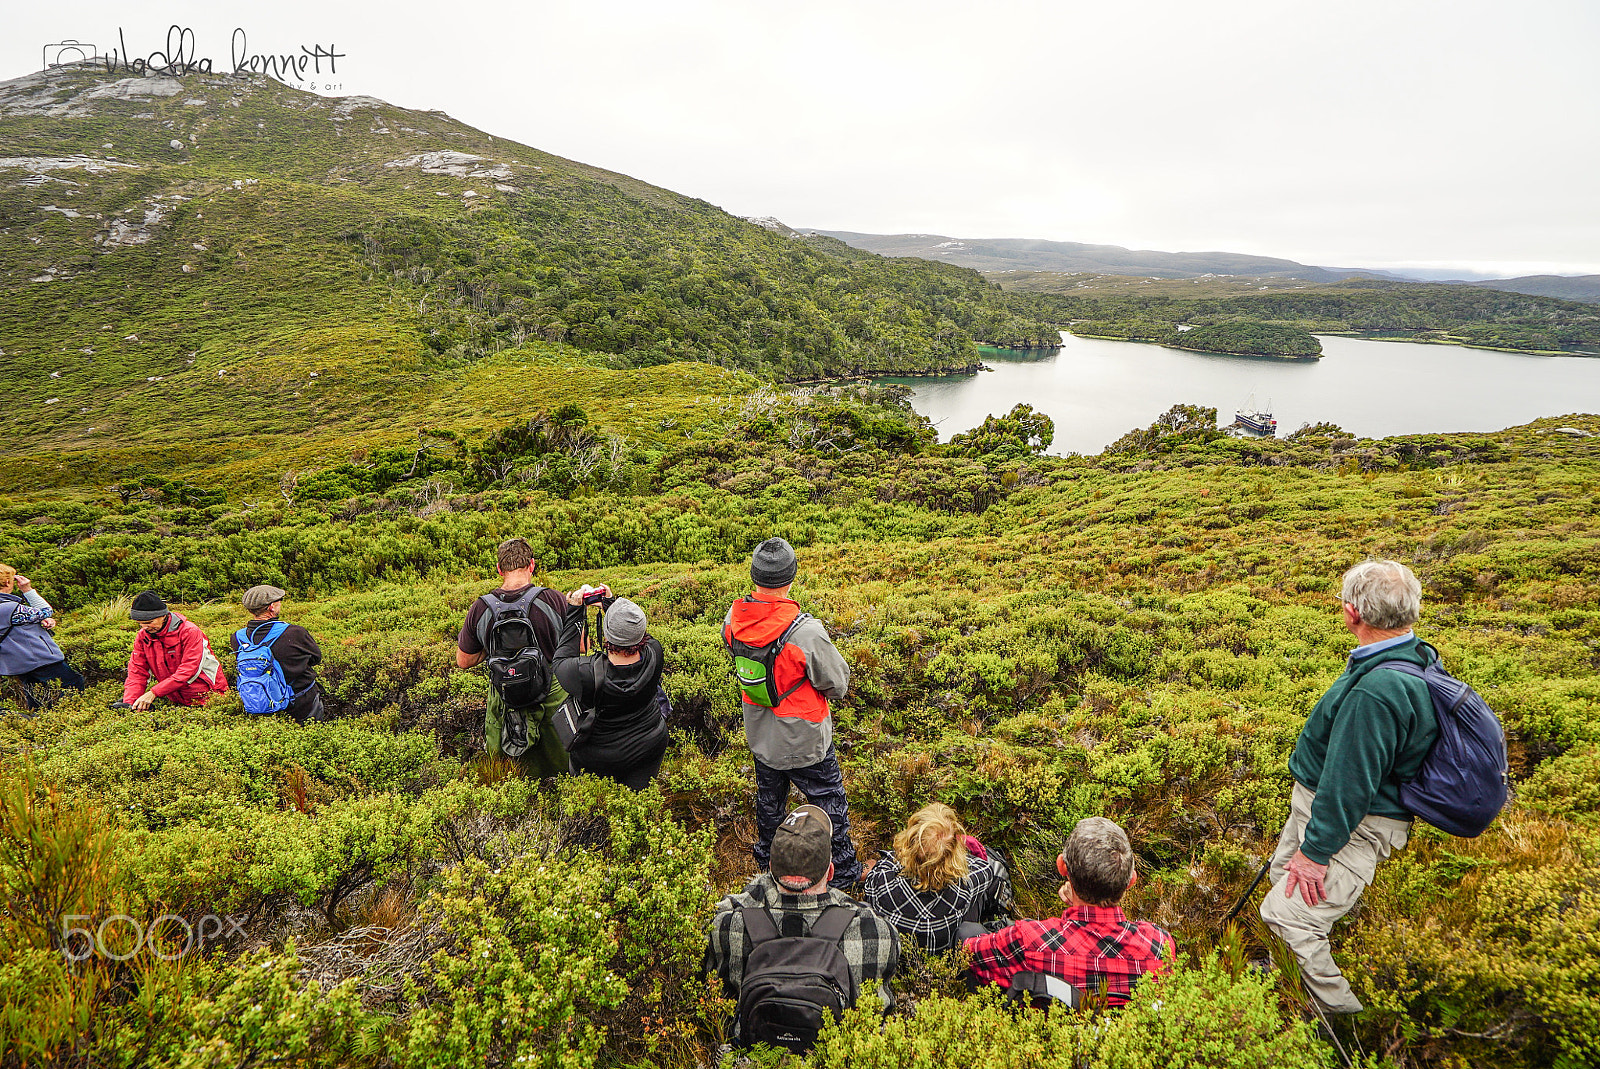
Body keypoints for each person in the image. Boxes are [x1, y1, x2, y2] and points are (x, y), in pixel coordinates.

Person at [1259, 558, 1439, 1016]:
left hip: (1349, 825)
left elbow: (1350, 784)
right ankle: (1284, 982)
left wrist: (1316, 854)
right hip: (1324, 814)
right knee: (1283, 888)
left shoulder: (1375, 692)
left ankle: (1341, 1019)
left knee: (1287, 914)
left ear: (1352, 612)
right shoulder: (1408, 655)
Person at [723, 537, 860, 888]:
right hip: (806, 739)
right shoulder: (806, 632)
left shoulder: (733, 621)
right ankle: (843, 874)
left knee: (770, 803)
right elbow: (838, 683)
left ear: (754, 575)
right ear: (791, 576)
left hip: (761, 736)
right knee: (829, 803)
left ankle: (768, 861)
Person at [705, 804, 900, 1047]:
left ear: (771, 870)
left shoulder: (727, 926)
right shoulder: (874, 930)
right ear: (830, 873)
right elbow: (880, 1015)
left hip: (752, 1051)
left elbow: (720, 999)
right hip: (834, 1056)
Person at [965, 817, 1175, 1009]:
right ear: (1131, 881)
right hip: (1122, 1046)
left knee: (967, 931)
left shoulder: (1028, 939)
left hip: (1045, 1042)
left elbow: (968, 952)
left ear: (1062, 867)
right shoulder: (1160, 945)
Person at [455, 537, 570, 777]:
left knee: (508, 774)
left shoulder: (481, 607)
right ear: (532, 565)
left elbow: (463, 661)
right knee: (561, 773)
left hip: (505, 699)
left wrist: (494, 647)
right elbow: (582, 646)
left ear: (499, 569)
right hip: (550, 698)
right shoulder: (554, 599)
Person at [553, 591, 669, 790]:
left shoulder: (585, 673)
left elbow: (560, 661)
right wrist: (612, 606)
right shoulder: (655, 652)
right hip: (649, 745)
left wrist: (574, 611)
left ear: (607, 634)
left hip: (597, 757)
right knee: (640, 800)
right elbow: (636, 634)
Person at [863, 802, 1015, 953]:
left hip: (897, 955)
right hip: (946, 952)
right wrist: (957, 854)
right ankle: (999, 914)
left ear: (909, 842)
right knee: (994, 866)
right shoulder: (963, 889)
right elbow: (985, 868)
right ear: (953, 855)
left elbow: (884, 866)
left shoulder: (883, 881)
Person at [229, 585, 327, 723]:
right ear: (271, 607)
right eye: (279, 600)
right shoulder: (295, 633)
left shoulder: (237, 637)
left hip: (261, 702)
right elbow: (316, 658)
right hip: (302, 702)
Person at [114, 590, 228, 709]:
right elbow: (137, 671)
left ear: (163, 615)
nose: (144, 627)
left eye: (149, 622)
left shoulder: (190, 632)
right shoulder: (143, 636)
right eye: (140, 623)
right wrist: (130, 703)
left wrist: (153, 693)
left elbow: (189, 670)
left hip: (209, 697)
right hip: (177, 700)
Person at [0, 565, 85, 710]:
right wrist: (27, 590)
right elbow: (46, 610)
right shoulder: (9, 607)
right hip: (37, 658)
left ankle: (40, 723)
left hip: (15, 662)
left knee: (36, 696)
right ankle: (73, 715)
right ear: (8, 582)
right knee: (73, 683)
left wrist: (40, 621)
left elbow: (15, 623)